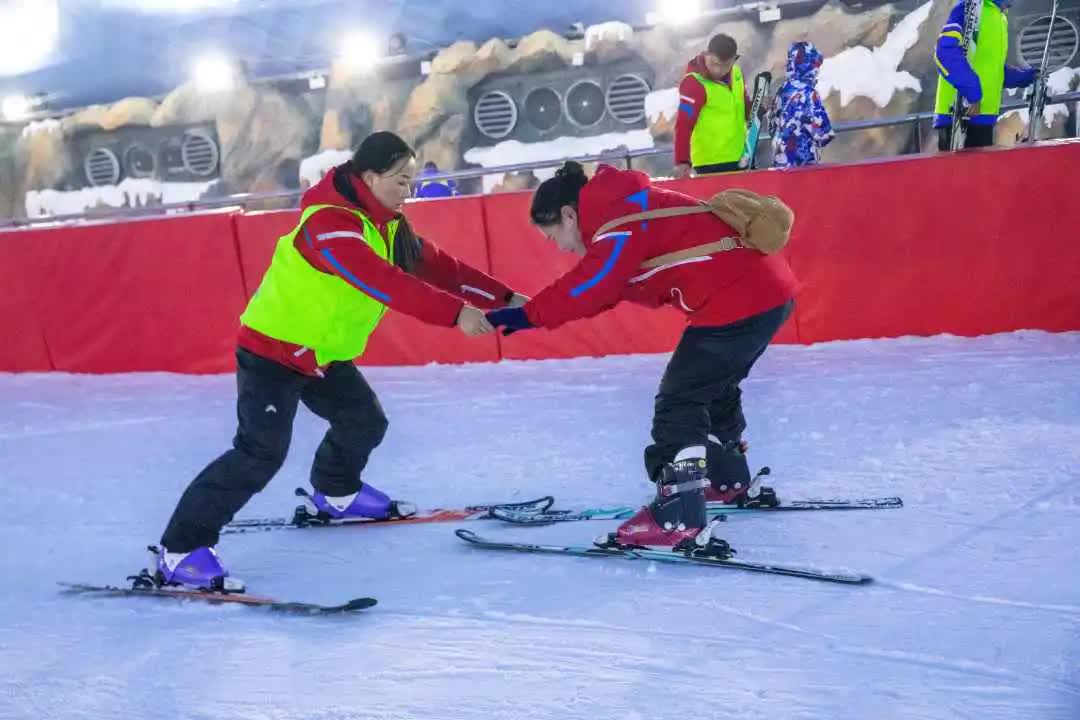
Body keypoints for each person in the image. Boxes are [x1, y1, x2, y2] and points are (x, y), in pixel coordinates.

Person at [156, 131, 525, 590]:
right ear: (369, 177)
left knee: (364, 421)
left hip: (323, 354)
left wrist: (505, 298)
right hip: (273, 351)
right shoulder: (329, 224)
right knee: (259, 454)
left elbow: (439, 266)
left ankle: (337, 493)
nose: (408, 191)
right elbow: (382, 281)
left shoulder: (388, 225)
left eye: (411, 181)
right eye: (400, 180)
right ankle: (180, 550)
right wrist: (457, 314)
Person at [486, 161, 798, 550]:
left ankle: (679, 513)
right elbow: (608, 288)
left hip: (738, 300)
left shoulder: (616, 222)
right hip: (764, 293)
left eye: (554, 237)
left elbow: (592, 285)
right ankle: (728, 477)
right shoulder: (625, 206)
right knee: (713, 387)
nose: (561, 247)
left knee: (679, 402)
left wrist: (530, 315)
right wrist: (534, 315)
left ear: (568, 215)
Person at [934, 0, 1036, 150]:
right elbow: (944, 53)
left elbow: (990, 68)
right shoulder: (968, 7)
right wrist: (973, 93)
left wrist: (1025, 77)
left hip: (983, 118)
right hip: (958, 117)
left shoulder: (999, 17)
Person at [673, 33, 752, 178]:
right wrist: (682, 161)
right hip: (709, 164)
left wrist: (759, 107)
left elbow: (744, 107)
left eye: (726, 65)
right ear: (706, 54)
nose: (718, 70)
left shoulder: (736, 74)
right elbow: (684, 123)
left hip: (741, 158)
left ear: (734, 59)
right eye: (714, 63)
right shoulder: (693, 83)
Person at [771, 41, 834, 169]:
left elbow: (772, 128)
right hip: (804, 165)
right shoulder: (809, 94)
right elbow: (823, 135)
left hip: (781, 164)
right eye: (816, 66)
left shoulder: (781, 91)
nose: (817, 70)